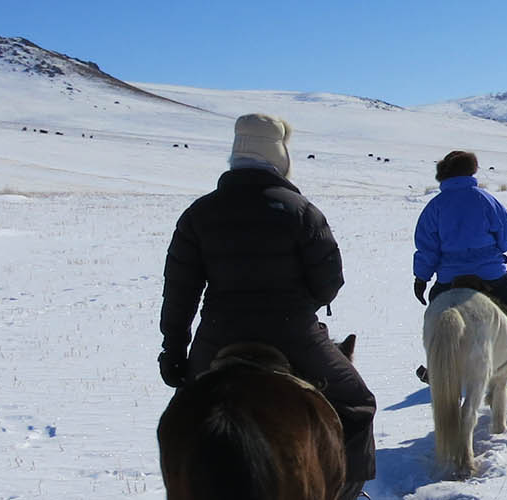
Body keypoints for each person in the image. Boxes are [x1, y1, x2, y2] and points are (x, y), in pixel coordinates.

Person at [158, 113, 375, 493]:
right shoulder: (301, 211)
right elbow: (329, 282)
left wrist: (174, 350)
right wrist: (301, 302)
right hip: (292, 331)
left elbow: (180, 291)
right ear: (280, 156)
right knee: (357, 404)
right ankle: (348, 490)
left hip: (217, 335)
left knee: (179, 422)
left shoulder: (198, 214)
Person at [413, 150, 507, 384]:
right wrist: (493, 250)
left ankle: (436, 369)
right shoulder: (484, 199)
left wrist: (421, 277)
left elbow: (426, 247)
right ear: (470, 171)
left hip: (449, 278)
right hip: (489, 274)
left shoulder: (434, 206)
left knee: (435, 317)